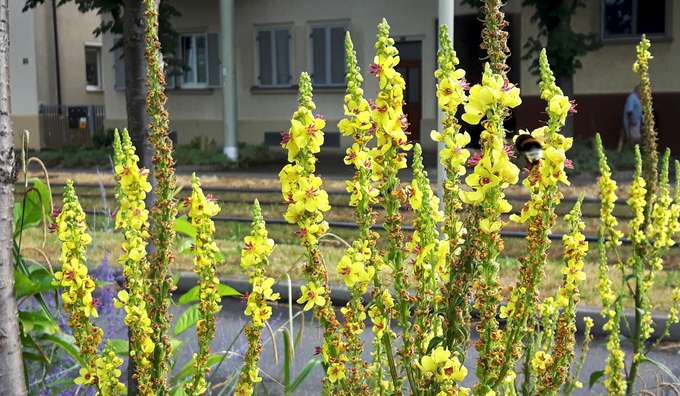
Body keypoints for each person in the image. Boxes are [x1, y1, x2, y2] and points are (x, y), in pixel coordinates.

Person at [620, 85, 642, 150]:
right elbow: (629, 111)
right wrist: (633, 121)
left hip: (637, 123)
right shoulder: (632, 97)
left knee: (637, 139)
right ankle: (632, 152)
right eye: (641, 90)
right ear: (637, 90)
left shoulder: (637, 98)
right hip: (633, 123)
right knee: (635, 139)